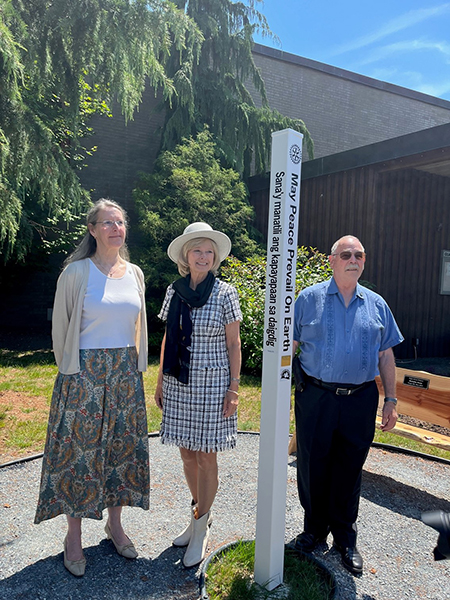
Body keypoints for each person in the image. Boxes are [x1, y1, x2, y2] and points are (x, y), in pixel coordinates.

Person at [34, 199, 149, 577]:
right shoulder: (76, 272)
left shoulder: (135, 273)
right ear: (93, 229)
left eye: (120, 222)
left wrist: (135, 369)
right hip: (83, 374)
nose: (116, 228)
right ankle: (73, 536)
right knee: (79, 454)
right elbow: (61, 327)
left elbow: (138, 327)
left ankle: (115, 525)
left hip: (124, 374)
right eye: (107, 222)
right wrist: (70, 370)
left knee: (121, 450)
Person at [292, 234, 403, 575]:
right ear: (332, 261)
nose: (353, 260)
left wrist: (391, 399)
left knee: (350, 467)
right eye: (346, 255)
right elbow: (288, 347)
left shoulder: (377, 304)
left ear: (364, 261)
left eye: (359, 255)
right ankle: (313, 531)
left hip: (360, 400)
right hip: (316, 396)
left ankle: (345, 538)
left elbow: (386, 355)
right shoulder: (307, 299)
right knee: (312, 464)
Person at [154, 222, 242, 568]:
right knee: (187, 454)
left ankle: (202, 525)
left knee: (206, 457)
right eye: (197, 250)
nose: (203, 256)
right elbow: (167, 337)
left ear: (214, 258)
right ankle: (197, 514)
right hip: (178, 382)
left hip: (212, 385)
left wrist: (234, 387)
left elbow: (234, 343)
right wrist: (160, 381)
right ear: (186, 256)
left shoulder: (225, 293)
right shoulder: (174, 292)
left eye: (208, 251)